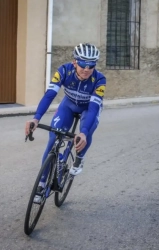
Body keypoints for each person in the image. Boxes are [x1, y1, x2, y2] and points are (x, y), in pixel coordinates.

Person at [25, 43, 106, 202]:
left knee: (86, 132)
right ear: (75, 62)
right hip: (68, 105)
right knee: (53, 140)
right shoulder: (64, 70)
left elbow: (94, 107)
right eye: (83, 64)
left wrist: (83, 132)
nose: (86, 69)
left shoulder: (100, 79)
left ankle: (79, 157)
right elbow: (50, 95)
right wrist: (36, 118)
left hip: (88, 109)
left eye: (91, 65)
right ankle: (42, 185)